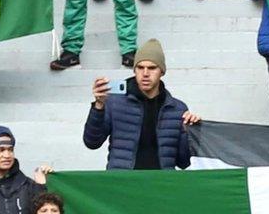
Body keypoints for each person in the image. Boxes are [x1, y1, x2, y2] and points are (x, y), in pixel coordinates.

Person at [82, 39, 197, 170]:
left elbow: (183, 162)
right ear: (134, 70)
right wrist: (98, 106)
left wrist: (189, 132)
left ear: (162, 72)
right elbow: (92, 142)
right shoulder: (114, 102)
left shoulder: (177, 109)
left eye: (152, 68)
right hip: (123, 184)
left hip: (162, 185)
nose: (145, 74)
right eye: (140, 68)